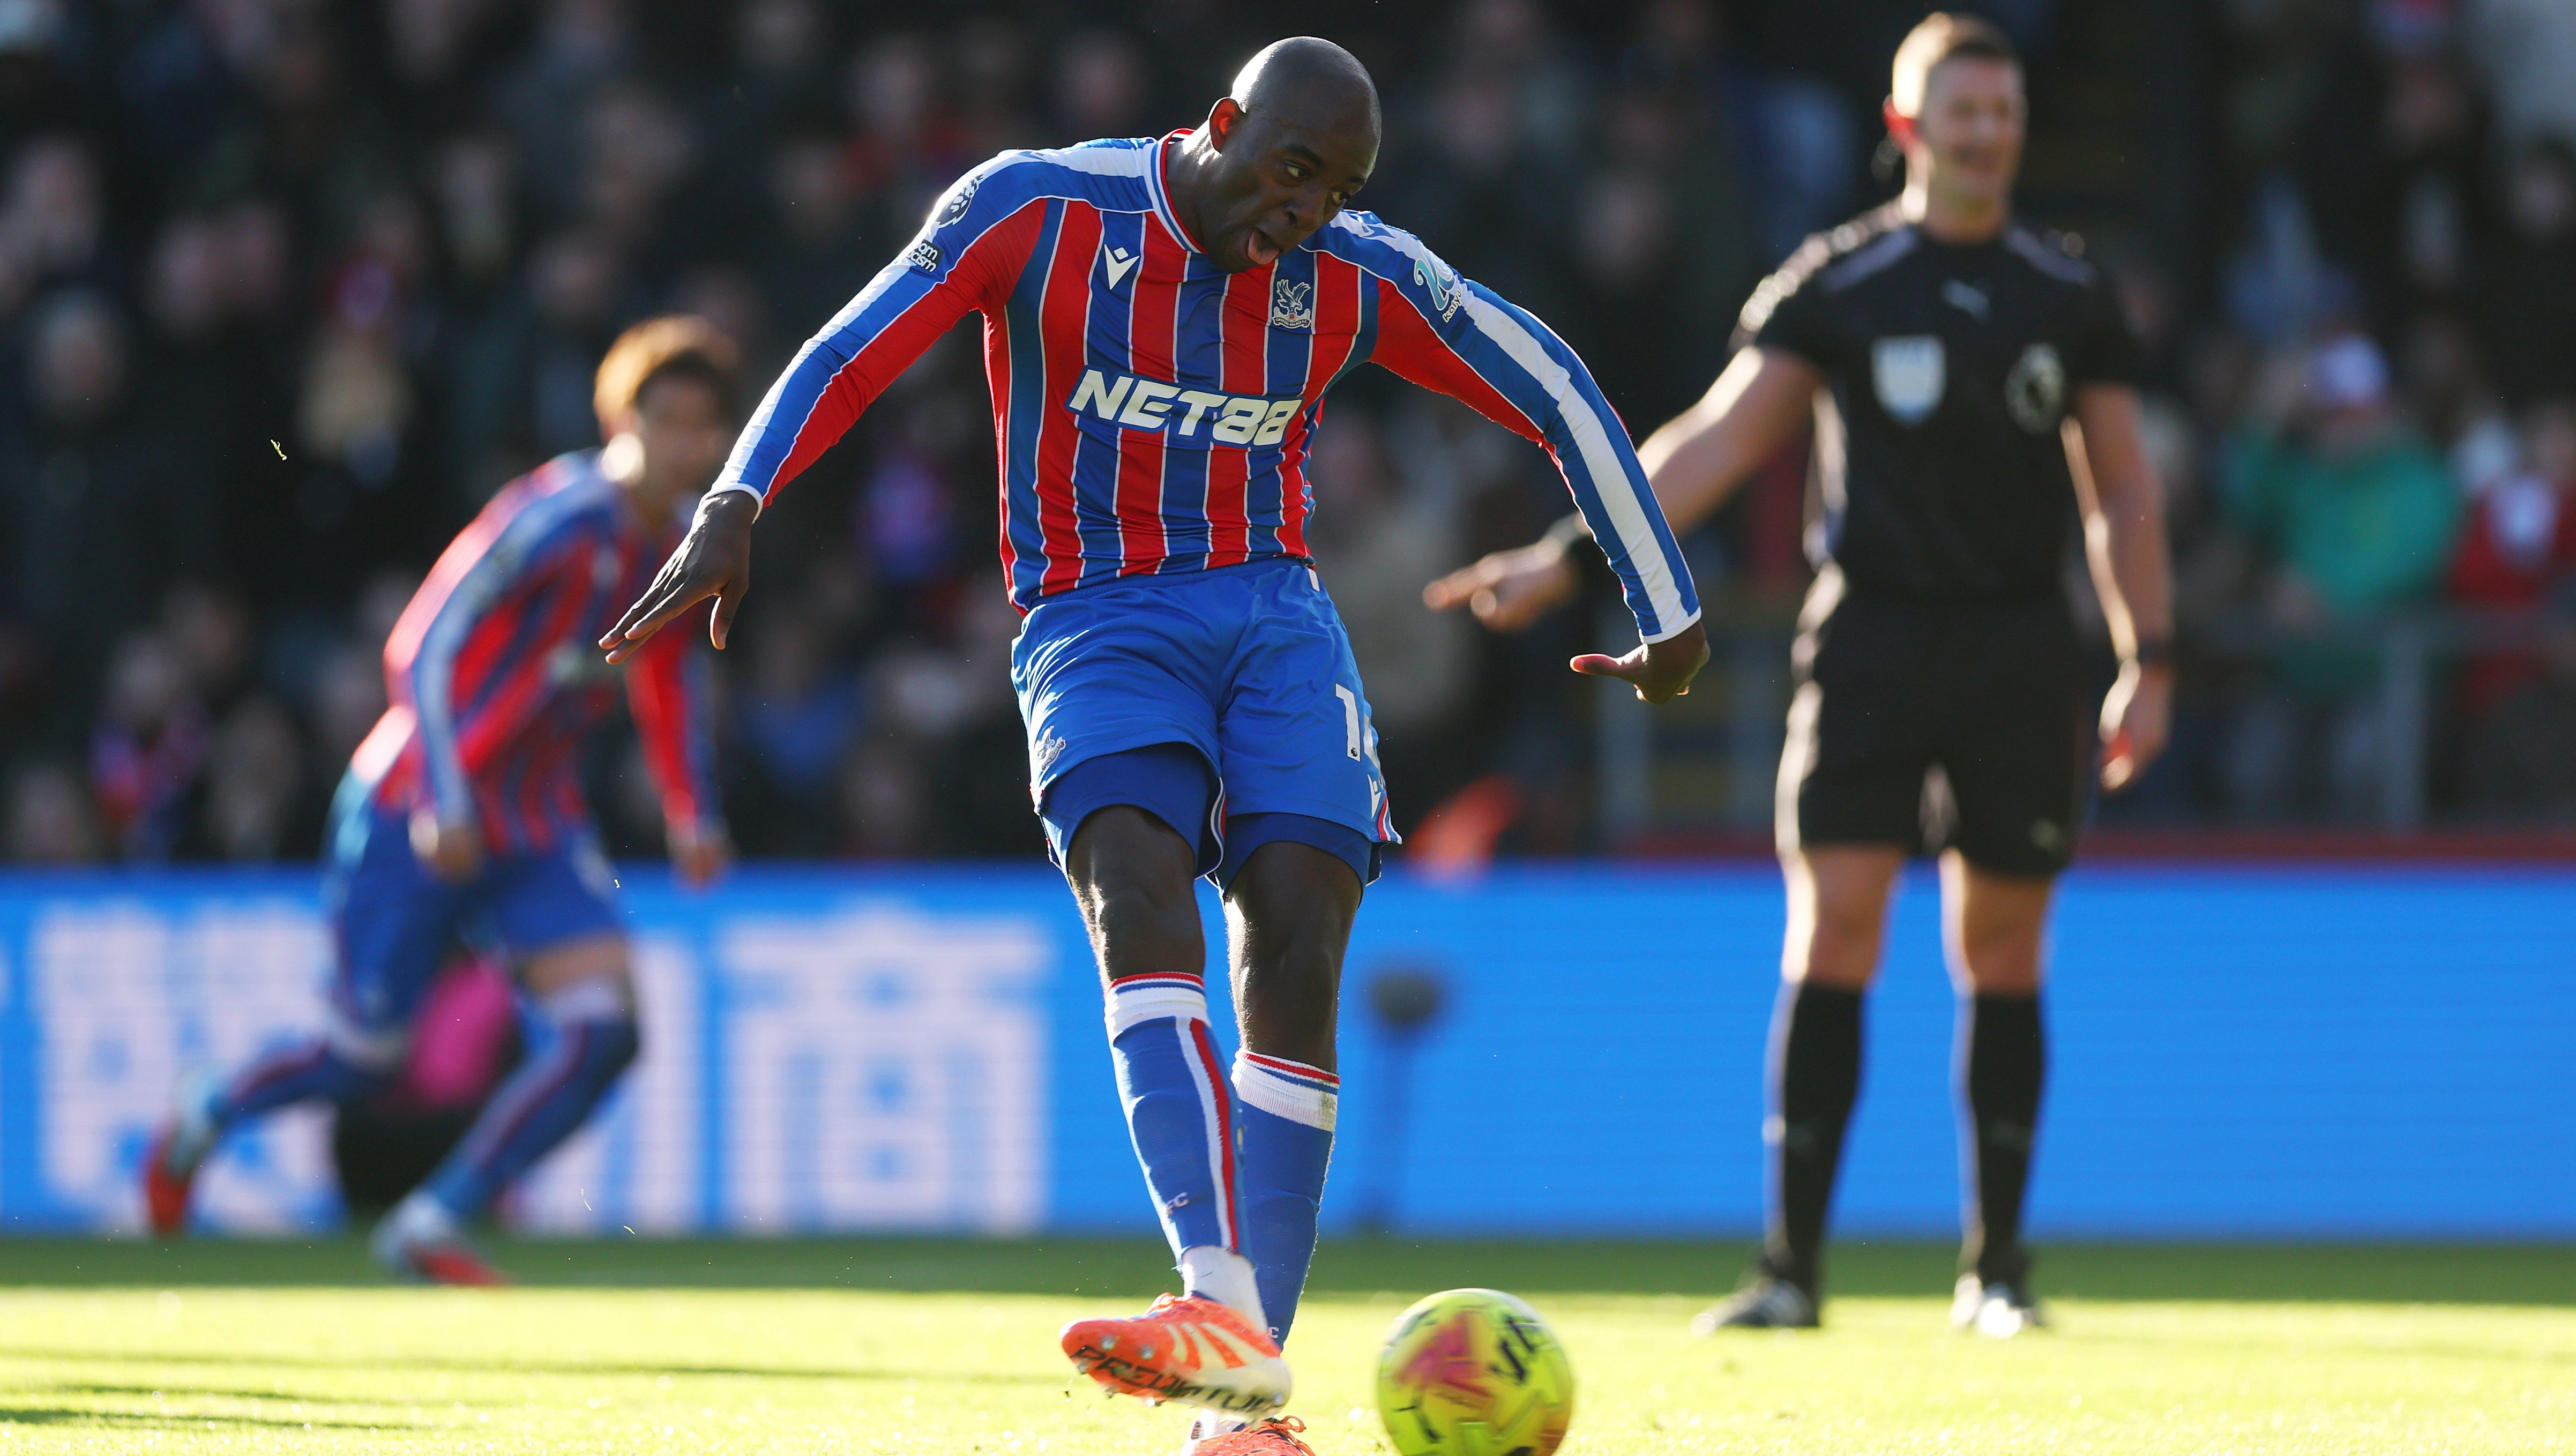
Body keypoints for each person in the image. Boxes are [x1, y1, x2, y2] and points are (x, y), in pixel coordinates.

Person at [600, 36, 1706, 1454]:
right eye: (1291, 168)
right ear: (1222, 124)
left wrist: (1664, 598)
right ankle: (1215, 1298)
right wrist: (739, 495)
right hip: (1095, 614)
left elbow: (1549, 381)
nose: (1304, 209)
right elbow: (852, 343)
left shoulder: (1352, 272)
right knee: (1136, 886)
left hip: (1273, 615)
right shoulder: (1037, 208)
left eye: (1339, 186)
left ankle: (1240, 1384)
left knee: (1298, 943)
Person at [1429, 12, 2173, 1336]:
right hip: (1872, 643)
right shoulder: (1838, 286)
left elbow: (2120, 487)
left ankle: (1996, 1274)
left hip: (2016, 649)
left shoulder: (2067, 296)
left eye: (2003, 112)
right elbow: (1718, 441)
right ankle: (1790, 1274)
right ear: (1908, 127)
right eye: (1963, 111)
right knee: (1833, 929)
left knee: (2001, 947)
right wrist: (1566, 551)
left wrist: (2145, 654)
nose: (1988, 133)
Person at [144, 317, 736, 1285]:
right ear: (619, 418)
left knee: (606, 1032)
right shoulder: (552, 516)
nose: (683, 445)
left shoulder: (676, 545)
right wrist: (448, 797)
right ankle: (208, 1108)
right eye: (664, 420)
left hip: (535, 821)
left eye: (701, 426)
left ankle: (433, 1219)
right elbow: (422, 644)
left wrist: (691, 807)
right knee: (363, 1056)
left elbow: (665, 677)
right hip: (416, 802)